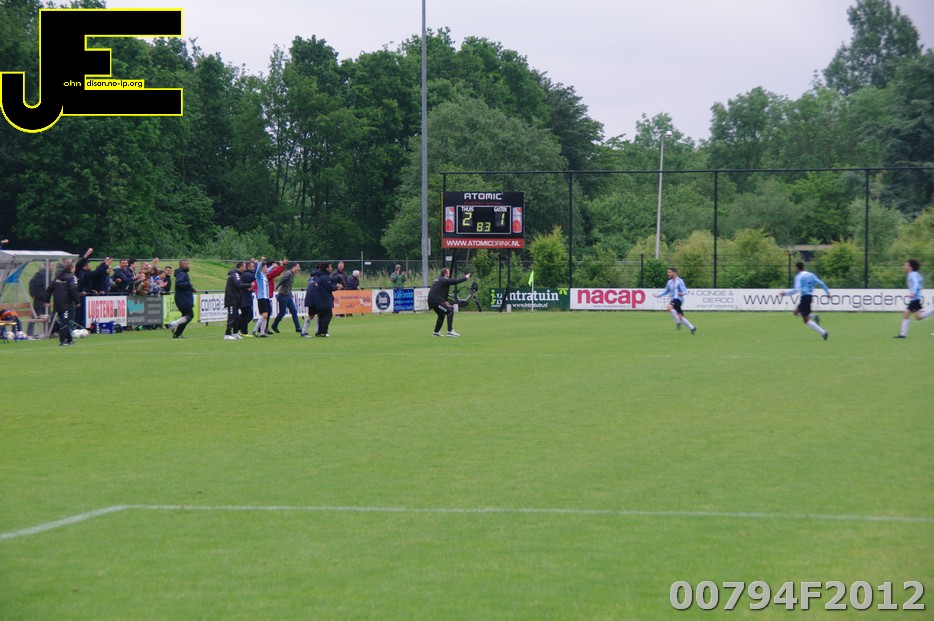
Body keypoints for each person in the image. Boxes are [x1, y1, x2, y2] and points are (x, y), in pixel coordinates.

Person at [780, 261, 830, 340]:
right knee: (795, 312)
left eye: (795, 267)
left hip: (805, 298)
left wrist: (786, 293)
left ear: (797, 268)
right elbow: (821, 283)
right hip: (809, 297)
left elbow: (796, 289)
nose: (794, 269)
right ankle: (814, 316)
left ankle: (823, 333)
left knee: (806, 320)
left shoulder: (798, 276)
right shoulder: (811, 275)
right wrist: (828, 293)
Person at [44, 259, 81, 346]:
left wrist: (47, 300)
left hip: (57, 303)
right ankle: (62, 341)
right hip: (66, 304)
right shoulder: (72, 277)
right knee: (65, 322)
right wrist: (77, 302)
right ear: (72, 267)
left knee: (64, 321)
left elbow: (49, 289)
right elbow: (73, 289)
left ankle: (69, 340)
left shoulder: (58, 277)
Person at [894, 259, 933, 338]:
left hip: (915, 298)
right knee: (918, 317)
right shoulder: (914, 274)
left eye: (906, 265)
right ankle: (933, 310)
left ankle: (902, 334)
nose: (904, 267)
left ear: (910, 267)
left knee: (906, 313)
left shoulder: (913, 274)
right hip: (915, 298)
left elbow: (915, 283)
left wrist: (913, 292)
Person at [428, 268, 471, 337]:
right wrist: (465, 277)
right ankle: (450, 331)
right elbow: (455, 281)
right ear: (445, 274)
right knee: (450, 312)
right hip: (436, 301)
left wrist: (444, 301)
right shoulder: (444, 280)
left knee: (441, 315)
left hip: (432, 300)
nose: (449, 274)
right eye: (448, 273)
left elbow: (441, 291)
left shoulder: (439, 279)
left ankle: (436, 332)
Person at [654, 267, 696, 335]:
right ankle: (692, 328)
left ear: (674, 273)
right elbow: (666, 291)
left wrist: (682, 293)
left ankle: (678, 322)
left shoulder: (679, 281)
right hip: (673, 300)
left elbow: (685, 291)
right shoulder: (669, 282)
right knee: (680, 317)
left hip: (678, 299)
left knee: (669, 307)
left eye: (670, 272)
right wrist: (658, 295)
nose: (668, 274)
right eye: (668, 272)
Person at [312, 261, 343, 337]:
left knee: (321, 316)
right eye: (330, 267)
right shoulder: (325, 277)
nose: (331, 268)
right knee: (328, 315)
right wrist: (337, 286)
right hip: (324, 300)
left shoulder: (320, 276)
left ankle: (319, 332)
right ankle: (324, 331)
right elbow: (330, 288)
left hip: (319, 299)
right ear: (327, 268)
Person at [167, 259, 195, 338]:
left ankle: (177, 334)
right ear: (183, 265)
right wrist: (189, 284)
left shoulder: (182, 273)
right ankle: (174, 324)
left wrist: (192, 289)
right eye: (187, 264)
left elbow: (183, 286)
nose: (189, 265)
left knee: (185, 316)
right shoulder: (182, 274)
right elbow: (179, 284)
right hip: (183, 298)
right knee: (190, 315)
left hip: (183, 298)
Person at [272, 262, 302, 334]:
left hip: (288, 295)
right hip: (283, 296)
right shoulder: (288, 273)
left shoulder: (292, 274)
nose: (299, 268)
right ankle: (274, 325)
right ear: (294, 267)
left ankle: (298, 328)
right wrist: (276, 286)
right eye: (298, 267)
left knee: (294, 311)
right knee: (282, 313)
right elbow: (282, 280)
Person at [223, 262, 249, 340]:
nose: (245, 269)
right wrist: (249, 285)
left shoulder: (237, 274)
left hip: (235, 299)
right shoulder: (235, 274)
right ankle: (227, 334)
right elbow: (238, 284)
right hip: (231, 299)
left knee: (236, 317)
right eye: (244, 267)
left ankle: (235, 333)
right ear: (240, 267)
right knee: (231, 316)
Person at [300, 264, 322, 337]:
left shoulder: (311, 277)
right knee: (312, 315)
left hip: (310, 298)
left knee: (317, 314)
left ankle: (317, 331)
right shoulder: (319, 277)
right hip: (314, 298)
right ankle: (304, 332)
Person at [252, 258, 272, 337]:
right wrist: (261, 261)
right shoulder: (259, 275)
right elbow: (257, 270)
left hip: (266, 298)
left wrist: (274, 266)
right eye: (266, 267)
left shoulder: (264, 276)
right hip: (261, 297)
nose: (267, 268)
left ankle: (262, 333)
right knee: (264, 315)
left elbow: (269, 270)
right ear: (262, 267)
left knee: (266, 316)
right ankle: (255, 330)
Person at [239, 260, 256, 337]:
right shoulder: (246, 274)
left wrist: (250, 287)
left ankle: (239, 329)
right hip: (244, 298)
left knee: (245, 315)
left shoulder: (246, 274)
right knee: (248, 315)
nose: (254, 268)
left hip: (246, 298)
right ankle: (243, 331)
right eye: (253, 267)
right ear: (248, 267)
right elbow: (255, 276)